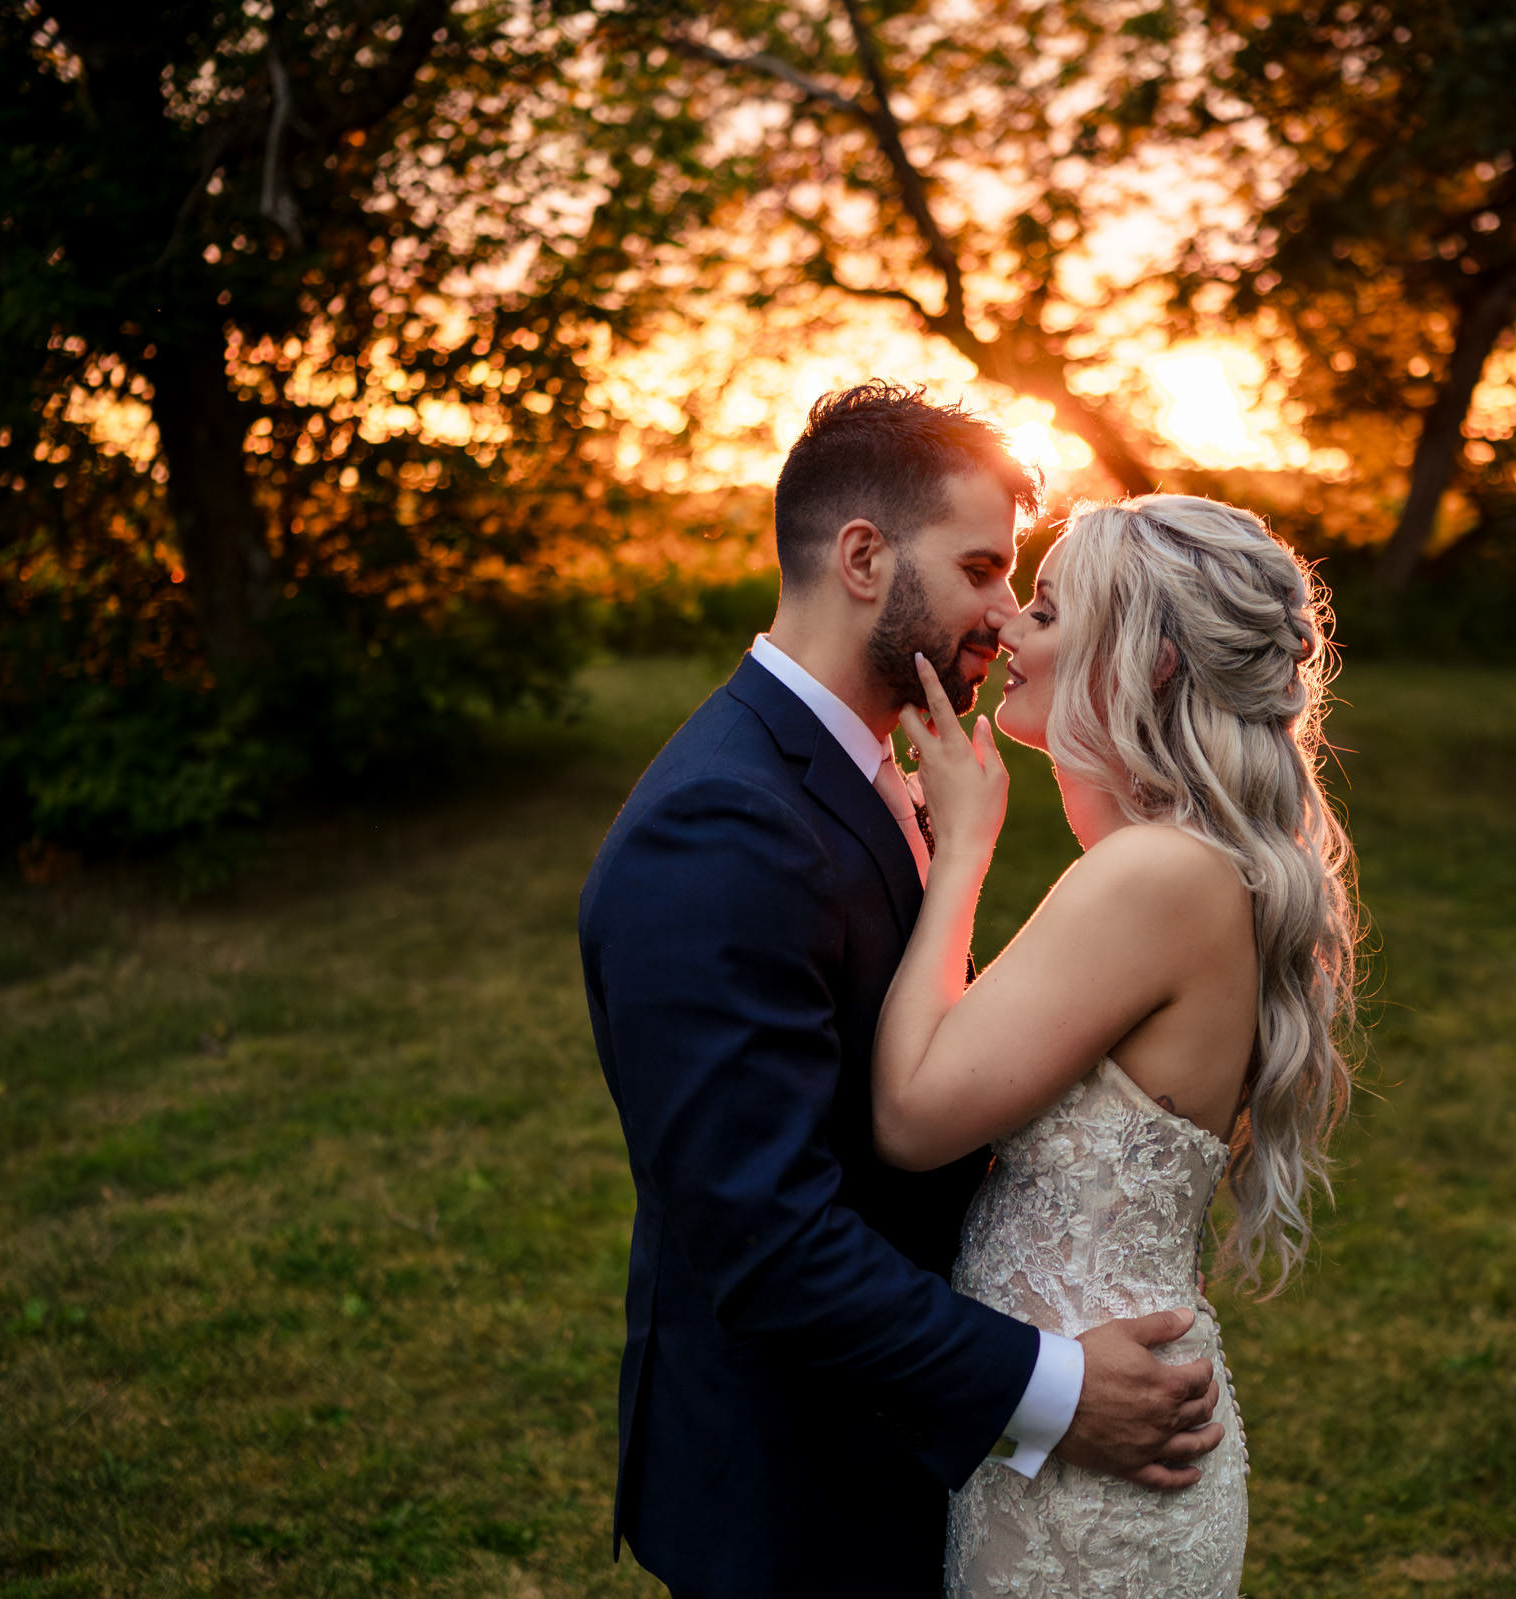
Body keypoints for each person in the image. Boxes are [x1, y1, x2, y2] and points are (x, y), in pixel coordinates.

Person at [576, 385, 1225, 1599]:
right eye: (982, 568)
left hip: (905, 1450)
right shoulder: (722, 827)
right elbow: (764, 1242)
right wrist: (1054, 1391)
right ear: (863, 557)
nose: (1006, 616)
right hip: (796, 1488)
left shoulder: (878, 764)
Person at [873, 493, 1361, 1598]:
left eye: (1046, 609)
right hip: (1072, 1441)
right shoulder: (1172, 865)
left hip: (1092, 1488)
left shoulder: (1152, 877)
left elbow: (910, 1117)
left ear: (1144, 661)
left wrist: (961, 855)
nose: (1010, 632)